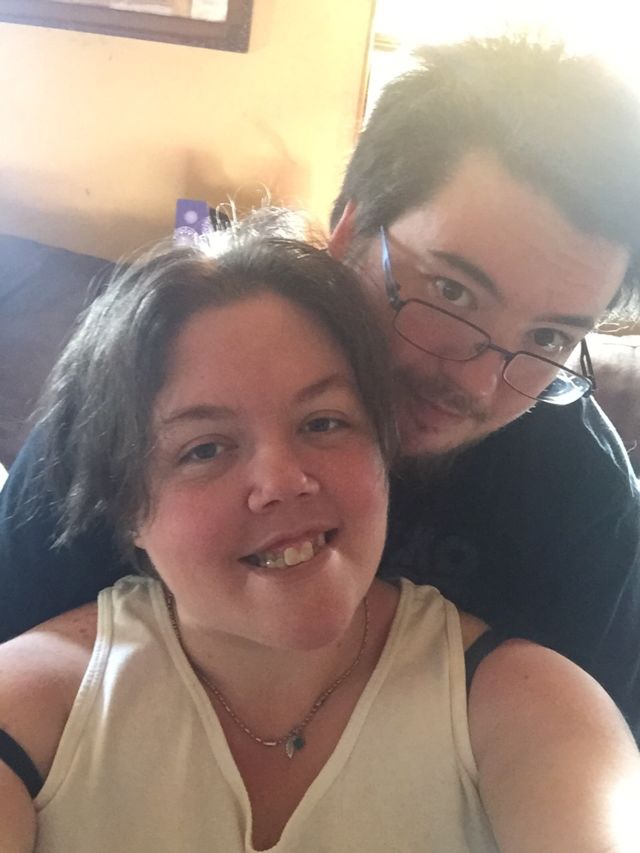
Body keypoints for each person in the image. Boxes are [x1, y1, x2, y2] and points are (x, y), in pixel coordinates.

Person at [1, 36, 640, 741]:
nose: (478, 382)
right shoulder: (135, 403)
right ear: (348, 232)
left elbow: (591, 748)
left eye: (548, 338)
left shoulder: (583, 502)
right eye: (452, 292)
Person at [0, 233, 638, 853]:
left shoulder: (532, 708)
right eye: (205, 449)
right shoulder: (31, 705)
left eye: (324, 422)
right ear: (125, 507)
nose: (282, 481)